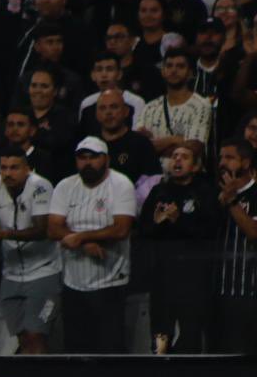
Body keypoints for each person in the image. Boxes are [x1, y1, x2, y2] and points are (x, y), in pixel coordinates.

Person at [47, 136, 138, 353]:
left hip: (110, 281)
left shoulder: (121, 184)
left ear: (106, 159)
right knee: (76, 346)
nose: (87, 163)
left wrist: (80, 237)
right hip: (72, 281)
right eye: (82, 158)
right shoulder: (65, 185)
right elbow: (53, 228)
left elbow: (122, 229)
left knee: (109, 347)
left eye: (93, 158)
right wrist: (84, 243)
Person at [138, 143, 220, 353]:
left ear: (195, 166)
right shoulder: (159, 191)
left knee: (190, 333)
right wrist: (156, 223)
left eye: (184, 157)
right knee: (160, 334)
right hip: (162, 274)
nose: (177, 160)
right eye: (174, 156)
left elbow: (209, 231)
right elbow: (143, 230)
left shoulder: (205, 191)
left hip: (193, 276)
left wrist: (178, 220)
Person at [0, 147, 60, 354]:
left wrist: (3, 234)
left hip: (44, 271)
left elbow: (43, 230)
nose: (7, 173)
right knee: (23, 337)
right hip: (11, 275)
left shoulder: (41, 186)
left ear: (27, 169)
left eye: (14, 168)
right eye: (3, 168)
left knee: (36, 334)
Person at [212, 138, 257, 352]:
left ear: (246, 163)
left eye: (230, 158)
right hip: (218, 293)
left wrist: (231, 202)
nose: (222, 163)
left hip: (249, 293)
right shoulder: (212, 194)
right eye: (221, 157)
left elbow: (254, 233)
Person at [139, 48, 212, 171]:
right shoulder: (149, 107)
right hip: (154, 179)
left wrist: (157, 146)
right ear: (163, 71)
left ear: (190, 73)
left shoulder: (201, 105)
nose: (173, 70)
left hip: (189, 180)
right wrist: (176, 139)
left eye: (180, 66)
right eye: (169, 66)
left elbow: (194, 147)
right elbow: (140, 147)